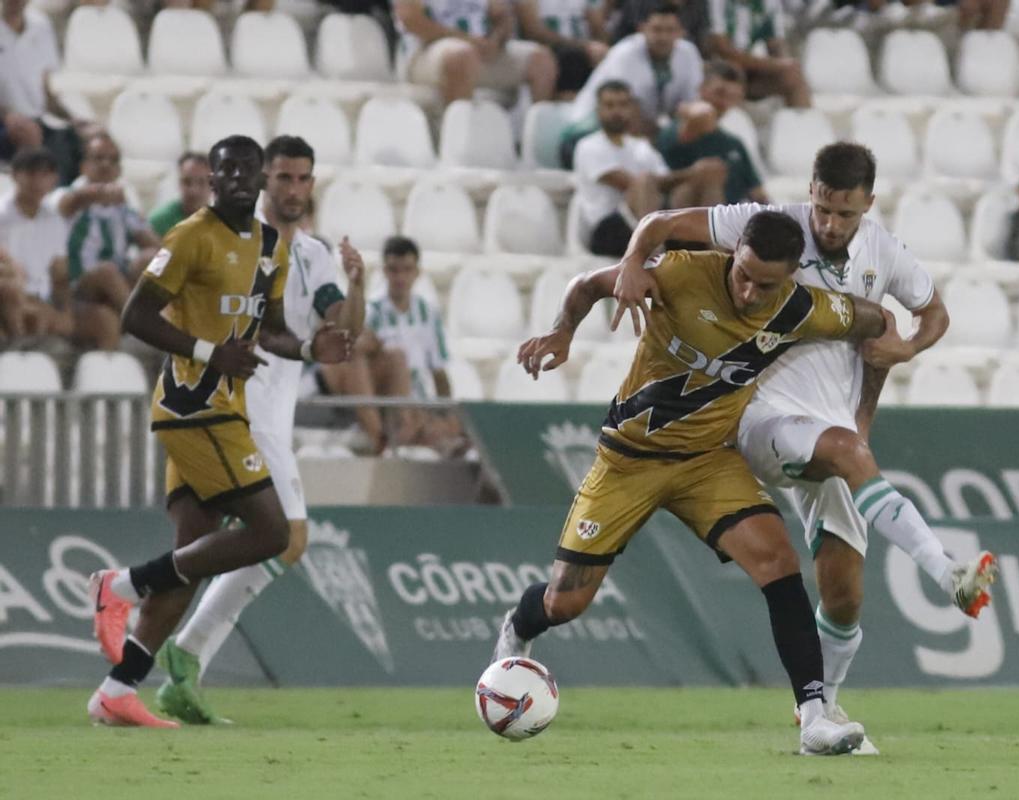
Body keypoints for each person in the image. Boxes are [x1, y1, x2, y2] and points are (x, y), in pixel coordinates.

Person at [606, 142, 999, 754]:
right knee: (847, 451)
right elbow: (659, 223)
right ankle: (946, 573)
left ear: (869, 203)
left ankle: (822, 715)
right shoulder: (768, 227)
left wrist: (908, 348)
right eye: (823, 208)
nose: (830, 224)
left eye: (845, 214)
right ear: (811, 192)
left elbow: (933, 314)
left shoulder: (885, 253)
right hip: (760, 416)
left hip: (832, 433)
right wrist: (633, 261)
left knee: (844, 594)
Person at [493, 210, 890, 755]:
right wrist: (564, 330)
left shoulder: (802, 309)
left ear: (791, 276)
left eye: (765, 285)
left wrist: (893, 350)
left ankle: (814, 718)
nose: (748, 292)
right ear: (734, 253)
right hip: (628, 462)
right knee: (565, 604)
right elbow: (584, 285)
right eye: (742, 274)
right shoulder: (679, 273)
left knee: (779, 562)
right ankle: (518, 626)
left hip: (707, 462)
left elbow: (872, 319)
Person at [85, 135, 352, 728]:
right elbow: (134, 316)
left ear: (257, 179)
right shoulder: (190, 236)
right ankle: (121, 585)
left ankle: (116, 690)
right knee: (273, 533)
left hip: (223, 408)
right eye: (225, 170)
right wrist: (209, 352)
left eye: (245, 170)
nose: (236, 179)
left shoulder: (269, 247)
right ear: (212, 180)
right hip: (194, 407)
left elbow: (271, 329)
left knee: (195, 558)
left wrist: (311, 348)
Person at [321, 235, 464, 453]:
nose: (400, 278)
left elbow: (439, 372)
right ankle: (396, 435)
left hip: (418, 400)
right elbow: (358, 365)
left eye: (407, 270)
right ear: (384, 272)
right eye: (394, 270)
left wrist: (446, 412)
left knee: (456, 428)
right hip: (386, 401)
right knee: (395, 360)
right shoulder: (371, 312)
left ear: (417, 272)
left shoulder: (428, 313)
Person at [574, 79, 727, 257]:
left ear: (632, 108)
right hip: (609, 228)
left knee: (707, 175)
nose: (617, 111)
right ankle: (654, 260)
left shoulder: (641, 146)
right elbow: (631, 184)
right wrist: (692, 172)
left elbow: (666, 183)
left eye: (623, 105)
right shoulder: (589, 146)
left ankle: (720, 257)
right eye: (610, 105)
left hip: (651, 220)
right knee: (644, 181)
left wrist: (699, 175)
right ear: (598, 110)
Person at [562, 0, 705, 161]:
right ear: (642, 29)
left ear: (681, 32)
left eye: (670, 30)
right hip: (588, 132)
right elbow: (628, 114)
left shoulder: (688, 53)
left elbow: (692, 105)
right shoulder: (625, 53)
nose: (663, 37)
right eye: (657, 30)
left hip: (636, 134)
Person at [56, 132, 159, 350]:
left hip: (118, 284)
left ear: (119, 169)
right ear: (83, 165)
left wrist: (139, 222)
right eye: (99, 158)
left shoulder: (122, 205)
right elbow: (67, 205)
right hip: (79, 284)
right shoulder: (67, 196)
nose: (106, 165)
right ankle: (143, 329)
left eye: (113, 160)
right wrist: (97, 194)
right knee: (106, 271)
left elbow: (154, 246)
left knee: (151, 259)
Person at [0, 0, 95, 182]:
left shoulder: (41, 26)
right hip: (5, 123)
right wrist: (8, 116)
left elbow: (46, 90)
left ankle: (66, 195)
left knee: (84, 140)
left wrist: (72, 119)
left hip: (37, 119)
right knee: (31, 141)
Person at [395, 0, 558, 105]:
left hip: (481, 49)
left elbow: (503, 16)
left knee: (541, 60)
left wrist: (496, 39)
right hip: (425, 51)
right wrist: (469, 40)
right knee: (461, 56)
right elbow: (411, 20)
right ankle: (457, 137)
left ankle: (538, 143)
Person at [657, 60, 768, 205]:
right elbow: (701, 116)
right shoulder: (674, 130)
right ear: (701, 88)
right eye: (719, 93)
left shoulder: (733, 143)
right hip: (685, 211)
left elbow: (758, 193)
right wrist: (688, 108)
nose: (724, 103)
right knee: (710, 171)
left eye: (732, 97)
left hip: (732, 212)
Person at [0, 147, 71, 340]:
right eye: (31, 173)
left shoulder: (55, 220)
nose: (38, 181)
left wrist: (65, 311)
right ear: (15, 175)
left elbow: (59, 273)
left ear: (54, 179)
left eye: (45, 174)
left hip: (40, 298)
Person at [705, 0, 810, 108]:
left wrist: (784, 64)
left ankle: (803, 117)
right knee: (733, 69)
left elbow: (776, 46)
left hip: (747, 69)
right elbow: (723, 50)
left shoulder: (768, 3)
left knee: (792, 74)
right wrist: (777, 64)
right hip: (713, 68)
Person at [513, 0, 610, 98]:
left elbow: (598, 27)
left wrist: (602, 46)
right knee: (568, 56)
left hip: (583, 47)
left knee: (602, 53)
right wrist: (582, 46)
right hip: (549, 47)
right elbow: (533, 30)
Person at [148, 152, 212, 237]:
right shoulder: (158, 221)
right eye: (187, 182)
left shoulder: (222, 223)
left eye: (202, 182)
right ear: (179, 183)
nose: (193, 190)